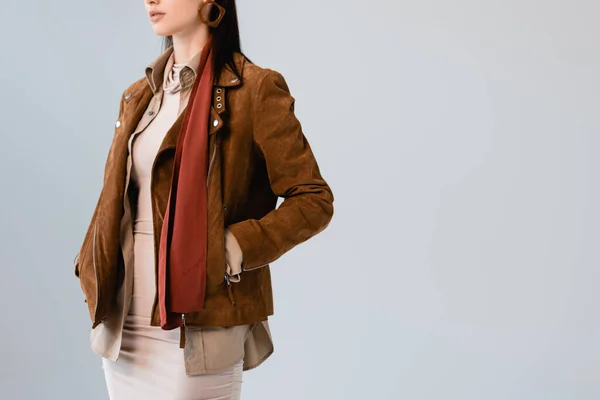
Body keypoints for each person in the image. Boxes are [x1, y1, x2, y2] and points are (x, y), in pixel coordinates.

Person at [73, 0, 334, 398]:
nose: (151, 0)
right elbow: (119, 203)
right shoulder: (138, 96)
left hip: (200, 322)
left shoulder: (254, 89)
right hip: (122, 321)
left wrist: (234, 246)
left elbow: (313, 198)